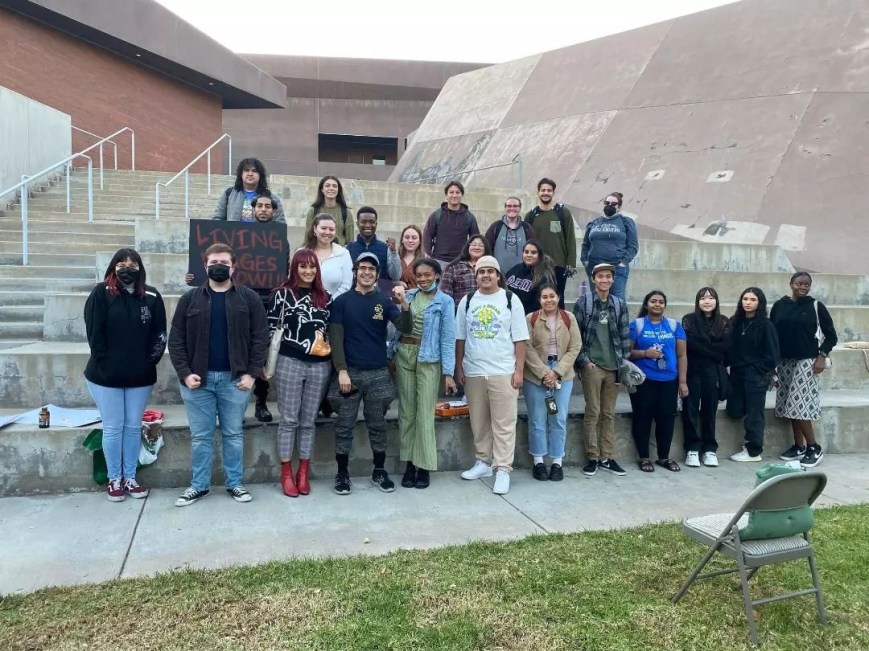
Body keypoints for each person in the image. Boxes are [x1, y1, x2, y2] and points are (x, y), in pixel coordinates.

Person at [168, 243, 269, 506]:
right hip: (198, 382)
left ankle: (234, 484)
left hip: (234, 381)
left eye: (224, 262)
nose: (219, 267)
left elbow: (260, 338)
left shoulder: (249, 298)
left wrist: (252, 374)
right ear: (205, 266)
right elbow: (176, 340)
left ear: (234, 266)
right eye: (214, 262)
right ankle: (199, 486)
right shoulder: (189, 299)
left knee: (233, 435)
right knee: (201, 437)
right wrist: (185, 373)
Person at [191, 191, 281, 423]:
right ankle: (234, 407)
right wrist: (194, 276)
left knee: (262, 352)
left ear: (274, 210)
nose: (263, 209)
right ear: (252, 210)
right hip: (237, 298)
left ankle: (261, 401)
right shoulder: (235, 234)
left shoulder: (280, 239)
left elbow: (283, 269)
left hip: (267, 299)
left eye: (267, 206)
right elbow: (217, 265)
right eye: (259, 206)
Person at [84, 248, 166, 501]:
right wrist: (107, 364)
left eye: (133, 263)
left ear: (140, 268)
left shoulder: (151, 296)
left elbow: (159, 335)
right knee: (113, 427)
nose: (127, 267)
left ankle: (130, 478)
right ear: (114, 266)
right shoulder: (101, 293)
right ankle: (114, 479)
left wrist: (147, 362)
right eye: (122, 263)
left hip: (140, 376)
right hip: (105, 376)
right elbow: (94, 334)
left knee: (132, 427)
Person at [328, 252, 401, 495]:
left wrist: (405, 305)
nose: (367, 272)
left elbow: (406, 327)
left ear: (377, 274)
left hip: (378, 373)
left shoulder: (384, 301)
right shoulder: (341, 302)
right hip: (351, 373)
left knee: (378, 425)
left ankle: (379, 471)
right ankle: (342, 474)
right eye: (363, 268)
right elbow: (336, 340)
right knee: (344, 426)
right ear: (355, 271)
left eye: (372, 269)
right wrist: (342, 371)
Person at [456, 255, 529, 495]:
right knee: (479, 422)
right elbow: (460, 338)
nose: (485, 275)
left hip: (503, 370)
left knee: (504, 423)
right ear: (475, 276)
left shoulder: (510, 299)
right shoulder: (467, 301)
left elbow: (520, 338)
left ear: (498, 275)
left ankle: (503, 469)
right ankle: (483, 463)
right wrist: (459, 368)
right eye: (481, 271)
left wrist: (519, 371)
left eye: (490, 271)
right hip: (475, 370)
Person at [267, 249, 333, 497]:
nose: (308, 271)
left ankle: (303, 472)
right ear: (294, 268)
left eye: (312, 267)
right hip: (289, 361)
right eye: (302, 266)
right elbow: (269, 328)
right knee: (289, 420)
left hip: (320, 365)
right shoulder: (281, 295)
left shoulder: (326, 298)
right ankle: (286, 472)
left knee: (308, 421)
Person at [392, 259, 457, 489]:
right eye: (419, 275)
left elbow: (448, 338)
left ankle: (424, 465)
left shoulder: (445, 301)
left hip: (429, 358)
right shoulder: (408, 296)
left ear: (437, 276)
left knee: (424, 414)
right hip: (405, 355)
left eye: (428, 275)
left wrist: (449, 372)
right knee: (406, 412)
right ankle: (409, 463)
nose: (423, 279)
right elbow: (402, 328)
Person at [771, 272, 837, 468]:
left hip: (807, 361)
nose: (803, 287)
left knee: (799, 405)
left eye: (807, 284)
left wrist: (821, 356)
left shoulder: (815, 306)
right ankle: (798, 446)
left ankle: (813, 447)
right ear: (791, 284)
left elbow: (831, 336)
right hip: (784, 361)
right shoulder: (779, 306)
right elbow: (772, 332)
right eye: (799, 283)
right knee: (789, 405)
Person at [573, 263, 630, 477]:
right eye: (600, 276)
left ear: (613, 279)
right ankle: (592, 457)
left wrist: (622, 363)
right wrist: (584, 361)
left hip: (613, 365)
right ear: (593, 279)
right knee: (593, 412)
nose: (604, 280)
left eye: (608, 276)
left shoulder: (619, 304)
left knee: (608, 413)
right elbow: (576, 335)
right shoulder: (584, 303)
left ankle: (607, 456)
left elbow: (624, 337)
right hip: (592, 365)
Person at [522, 284, 581, 481]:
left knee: (558, 418)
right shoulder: (531, 319)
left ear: (558, 297)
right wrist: (544, 372)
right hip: (535, 374)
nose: (548, 300)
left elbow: (575, 347)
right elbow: (526, 347)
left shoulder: (568, 318)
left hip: (562, 374)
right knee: (537, 419)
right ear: (539, 300)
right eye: (544, 297)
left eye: (552, 296)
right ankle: (538, 461)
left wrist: (556, 372)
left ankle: (557, 462)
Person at [627, 290, 688, 473]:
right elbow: (627, 352)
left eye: (661, 301)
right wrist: (645, 353)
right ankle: (644, 458)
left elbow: (682, 355)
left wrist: (683, 381)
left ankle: (664, 457)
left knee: (666, 419)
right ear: (647, 304)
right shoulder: (636, 325)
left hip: (669, 380)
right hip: (644, 380)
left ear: (665, 305)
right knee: (643, 417)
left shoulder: (674, 326)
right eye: (653, 301)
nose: (657, 304)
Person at [725, 287, 780, 462]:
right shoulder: (736, 321)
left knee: (755, 414)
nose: (748, 302)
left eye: (753, 300)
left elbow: (773, 356)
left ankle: (753, 451)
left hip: (755, 376)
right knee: (734, 410)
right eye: (745, 299)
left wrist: (757, 369)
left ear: (760, 303)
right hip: (736, 374)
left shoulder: (766, 325)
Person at [681, 287, 729, 468]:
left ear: (716, 301)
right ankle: (692, 448)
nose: (707, 301)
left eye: (710, 298)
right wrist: (714, 352)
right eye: (702, 298)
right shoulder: (689, 320)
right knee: (690, 410)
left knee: (710, 411)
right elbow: (690, 345)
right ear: (697, 301)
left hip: (713, 374)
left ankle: (710, 449)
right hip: (692, 371)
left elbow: (725, 347)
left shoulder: (723, 321)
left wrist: (707, 349)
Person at [524, 178, 576, 308]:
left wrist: (570, 263)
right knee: (537, 300)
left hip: (558, 264)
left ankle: (560, 327)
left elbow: (570, 238)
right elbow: (526, 242)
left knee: (558, 300)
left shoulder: (563, 212)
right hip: (537, 265)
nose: (545, 193)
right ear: (538, 193)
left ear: (553, 193)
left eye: (549, 190)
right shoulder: (531, 215)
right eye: (543, 190)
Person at [580, 192, 638, 304]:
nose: (609, 205)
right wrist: (585, 261)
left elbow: (633, 246)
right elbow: (585, 244)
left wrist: (623, 263)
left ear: (619, 207)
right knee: (596, 302)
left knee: (618, 302)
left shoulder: (626, 222)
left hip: (617, 268)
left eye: (613, 203)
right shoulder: (594, 223)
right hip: (595, 268)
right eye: (607, 203)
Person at [422, 180, 480, 269]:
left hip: (461, 262)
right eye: (451, 192)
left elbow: (475, 238)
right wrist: (428, 255)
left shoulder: (469, 217)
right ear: (446, 195)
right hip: (439, 261)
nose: (454, 195)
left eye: (457, 192)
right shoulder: (437, 215)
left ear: (462, 195)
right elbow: (427, 235)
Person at [346, 206, 401, 294]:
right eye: (363, 222)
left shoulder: (385, 248)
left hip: (380, 297)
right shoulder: (349, 248)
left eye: (371, 222)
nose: (368, 225)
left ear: (376, 224)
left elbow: (395, 276)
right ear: (357, 224)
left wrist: (393, 252)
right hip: (355, 296)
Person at [212, 157, 285, 223]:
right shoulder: (228, 194)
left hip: (261, 237)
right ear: (241, 174)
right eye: (246, 170)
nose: (250, 174)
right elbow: (218, 218)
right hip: (233, 237)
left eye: (254, 171)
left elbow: (280, 224)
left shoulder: (271, 198)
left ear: (260, 175)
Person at [303, 213, 352, 298]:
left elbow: (346, 285)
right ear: (315, 228)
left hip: (334, 306)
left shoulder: (343, 253)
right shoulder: (302, 252)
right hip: (304, 306)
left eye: (331, 229)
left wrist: (329, 302)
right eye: (323, 228)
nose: (327, 232)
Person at [484, 196, 536, 272]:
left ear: (520, 208)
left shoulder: (527, 228)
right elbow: (487, 250)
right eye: (509, 206)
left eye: (515, 206)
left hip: (521, 276)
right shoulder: (495, 227)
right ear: (505, 208)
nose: (512, 208)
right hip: (499, 275)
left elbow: (534, 251)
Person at [505, 240, 557, 314]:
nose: (529, 255)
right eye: (526, 252)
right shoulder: (515, 269)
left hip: (530, 317)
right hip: (509, 313)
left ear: (540, 255)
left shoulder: (545, 276)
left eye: (533, 252)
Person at [439, 234, 490, 309]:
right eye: (474, 244)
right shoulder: (453, 268)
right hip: (460, 313)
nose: (477, 247)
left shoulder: (492, 268)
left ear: (485, 249)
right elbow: (445, 295)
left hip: (487, 313)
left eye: (481, 245)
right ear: (468, 247)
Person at [305, 175, 353, 245]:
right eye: (327, 186)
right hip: (318, 252)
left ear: (338, 190)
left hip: (339, 253)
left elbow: (350, 242)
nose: (331, 188)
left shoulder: (346, 212)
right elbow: (307, 238)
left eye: (334, 186)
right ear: (322, 190)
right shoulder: (313, 211)